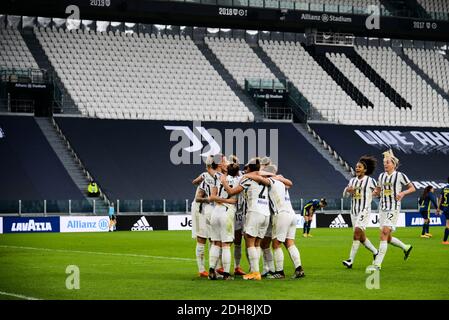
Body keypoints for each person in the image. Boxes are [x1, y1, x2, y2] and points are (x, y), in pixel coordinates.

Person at [220, 157, 272, 281]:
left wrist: (224, 182)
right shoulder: (265, 179)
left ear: (249, 168)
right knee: (257, 243)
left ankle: (255, 272)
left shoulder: (247, 179)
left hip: (254, 212)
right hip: (266, 213)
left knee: (249, 242)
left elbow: (232, 191)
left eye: (246, 167)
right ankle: (255, 270)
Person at [368, 149, 415, 271]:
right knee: (387, 237)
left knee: (384, 233)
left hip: (393, 208)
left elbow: (412, 188)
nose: (385, 164)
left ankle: (377, 264)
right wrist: (371, 194)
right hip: (382, 208)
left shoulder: (400, 175)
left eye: (388, 162)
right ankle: (406, 247)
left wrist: (403, 193)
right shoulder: (381, 176)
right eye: (384, 162)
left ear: (394, 164)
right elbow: (378, 191)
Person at [263, 164, 305, 279]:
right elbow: (289, 183)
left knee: (276, 244)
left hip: (280, 214)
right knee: (290, 243)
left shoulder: (270, 181)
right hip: (292, 214)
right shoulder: (282, 182)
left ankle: (280, 272)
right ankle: (299, 269)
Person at [342, 155, 379, 269]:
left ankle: (350, 260)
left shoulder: (370, 180)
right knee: (361, 237)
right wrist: (348, 191)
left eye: (360, 167)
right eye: (356, 167)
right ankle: (376, 252)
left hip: (364, 210)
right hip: (354, 212)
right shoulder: (352, 180)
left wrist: (375, 194)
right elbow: (345, 195)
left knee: (357, 232)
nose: (357, 168)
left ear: (365, 170)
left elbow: (378, 189)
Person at [191, 162, 217, 278]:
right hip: (200, 209)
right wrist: (210, 199)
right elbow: (195, 184)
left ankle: (213, 268)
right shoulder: (206, 176)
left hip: (212, 211)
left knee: (213, 239)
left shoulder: (221, 177)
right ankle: (201, 269)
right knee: (202, 238)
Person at [437, 177, 449, 245]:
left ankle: (445, 240)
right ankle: (444, 241)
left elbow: (441, 198)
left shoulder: (444, 188)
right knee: (448, 224)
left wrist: (438, 208)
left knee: (447, 223)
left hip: (445, 207)